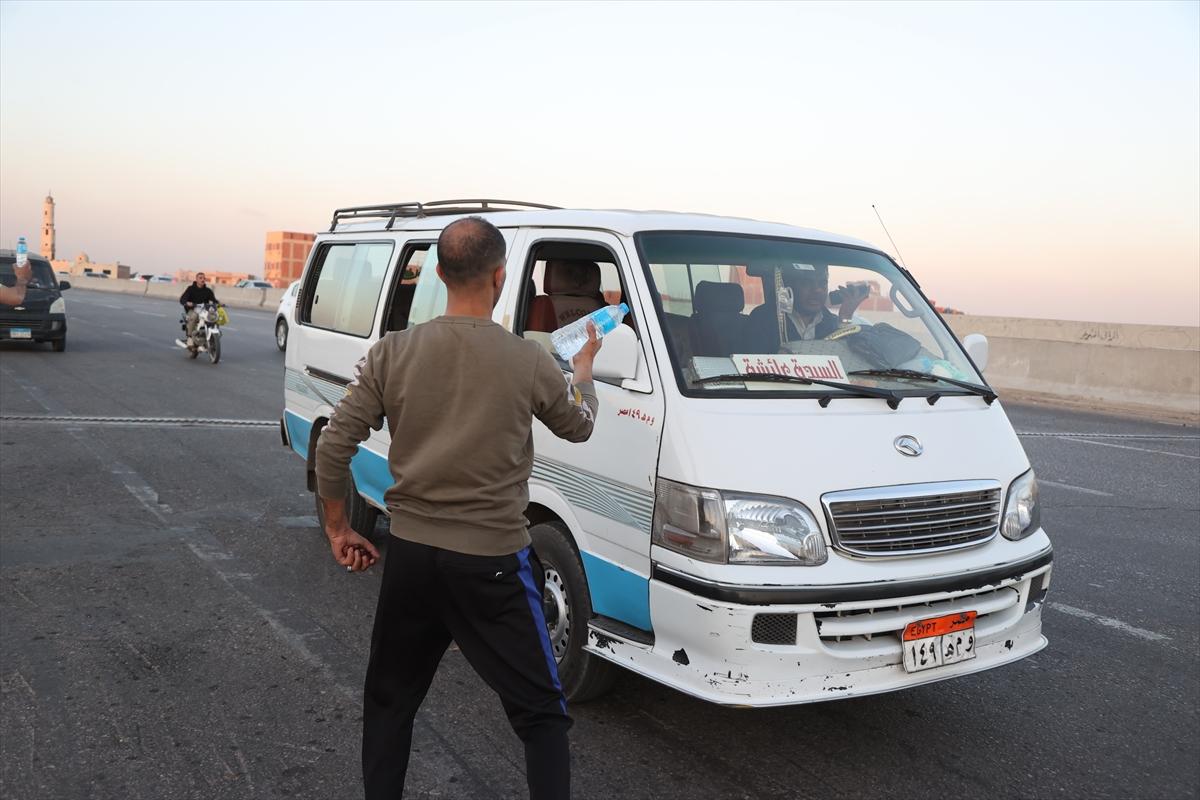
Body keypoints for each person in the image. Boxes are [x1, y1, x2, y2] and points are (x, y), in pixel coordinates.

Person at [314, 216, 602, 800]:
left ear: (439, 274)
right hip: (494, 562)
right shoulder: (527, 360)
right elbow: (579, 427)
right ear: (500, 277)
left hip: (413, 557)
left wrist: (339, 527)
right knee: (542, 715)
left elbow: (333, 445)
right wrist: (584, 373)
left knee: (391, 703)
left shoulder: (392, 351)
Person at [178, 272, 219, 350]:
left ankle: (211, 336)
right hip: (192, 310)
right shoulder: (190, 289)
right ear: (196, 279)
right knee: (194, 316)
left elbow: (213, 300)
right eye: (200, 278)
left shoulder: (208, 291)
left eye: (204, 278)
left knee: (214, 317)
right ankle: (190, 338)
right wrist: (187, 303)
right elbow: (182, 299)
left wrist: (219, 303)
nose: (202, 279)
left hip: (204, 310)